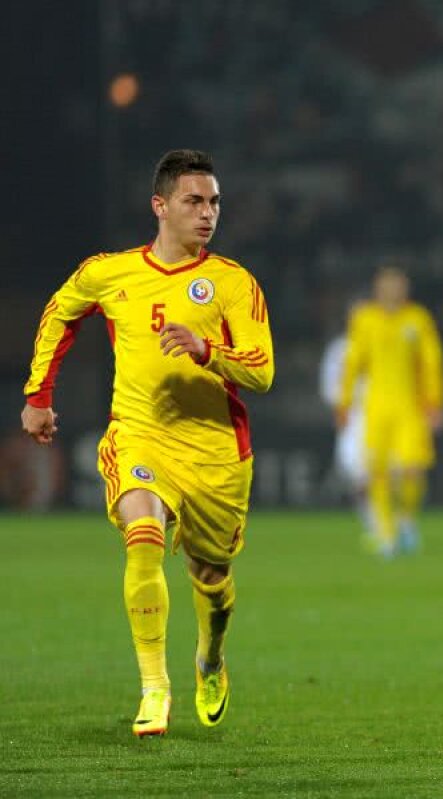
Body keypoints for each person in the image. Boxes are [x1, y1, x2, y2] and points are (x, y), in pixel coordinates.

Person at [20, 149, 274, 737]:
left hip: (215, 450)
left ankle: (210, 657)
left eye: (213, 202)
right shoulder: (110, 272)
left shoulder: (233, 282)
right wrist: (39, 395)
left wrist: (208, 351)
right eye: (194, 201)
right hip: (139, 434)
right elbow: (60, 312)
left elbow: (263, 371)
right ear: (160, 206)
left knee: (211, 575)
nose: (208, 213)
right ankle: (154, 687)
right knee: (143, 538)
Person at [337, 265, 443, 558]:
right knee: (378, 472)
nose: (393, 292)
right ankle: (385, 534)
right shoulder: (365, 319)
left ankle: (406, 518)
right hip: (376, 407)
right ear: (377, 289)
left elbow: (431, 362)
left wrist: (434, 403)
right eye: (387, 286)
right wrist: (344, 401)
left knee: (412, 469)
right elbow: (353, 362)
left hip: (409, 406)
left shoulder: (417, 319)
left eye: (398, 286)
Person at [319, 304, 370, 534]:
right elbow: (329, 383)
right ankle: (371, 518)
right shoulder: (340, 349)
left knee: (386, 470)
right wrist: (339, 408)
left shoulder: (377, 344)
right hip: (353, 414)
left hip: (379, 411)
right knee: (353, 468)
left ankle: (390, 518)